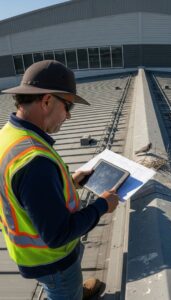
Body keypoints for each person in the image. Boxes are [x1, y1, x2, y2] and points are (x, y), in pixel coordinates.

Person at [0, 60, 120, 300]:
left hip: (30, 255)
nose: (68, 117)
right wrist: (102, 206)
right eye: (68, 107)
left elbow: (24, 192)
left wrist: (72, 182)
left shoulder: (9, 135)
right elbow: (58, 235)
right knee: (63, 292)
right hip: (52, 261)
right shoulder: (34, 161)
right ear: (46, 101)